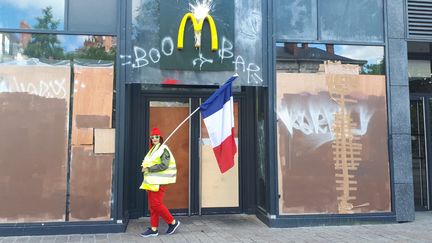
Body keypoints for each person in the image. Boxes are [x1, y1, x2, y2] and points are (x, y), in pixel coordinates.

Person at [139, 127, 180, 237]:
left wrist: (148, 169)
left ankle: (173, 222)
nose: (154, 139)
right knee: (153, 206)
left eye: (156, 137)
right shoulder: (153, 150)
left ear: (160, 138)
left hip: (159, 182)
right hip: (151, 182)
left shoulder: (163, 149)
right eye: (152, 137)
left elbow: (164, 165)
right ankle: (154, 229)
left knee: (156, 204)